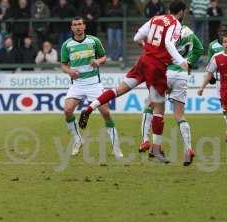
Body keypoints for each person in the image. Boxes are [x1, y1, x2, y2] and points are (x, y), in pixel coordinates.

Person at [78, 0, 189, 163]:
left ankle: (89, 108)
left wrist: (147, 48)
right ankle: (156, 149)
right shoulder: (176, 24)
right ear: (181, 12)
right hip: (157, 66)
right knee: (159, 108)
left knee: (117, 90)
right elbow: (168, 43)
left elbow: (137, 36)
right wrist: (181, 62)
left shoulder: (155, 19)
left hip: (143, 61)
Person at [139, 25, 204, 166]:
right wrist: (188, 62)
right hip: (181, 75)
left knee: (150, 105)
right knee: (179, 115)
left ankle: (145, 140)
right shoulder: (189, 31)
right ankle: (188, 149)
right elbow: (199, 49)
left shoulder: (166, 31)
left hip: (166, 72)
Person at [61, 17, 123, 158]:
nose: (78, 27)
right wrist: (69, 71)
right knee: (67, 110)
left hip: (94, 83)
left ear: (84, 26)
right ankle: (78, 140)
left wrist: (98, 61)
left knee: (105, 113)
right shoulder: (67, 45)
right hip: (77, 84)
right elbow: (63, 64)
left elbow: (104, 57)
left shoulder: (94, 41)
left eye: (80, 24)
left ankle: (116, 147)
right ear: (71, 28)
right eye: (75, 25)